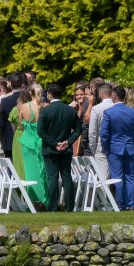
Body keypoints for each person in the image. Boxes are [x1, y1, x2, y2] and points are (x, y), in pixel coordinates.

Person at [38, 84, 81, 212]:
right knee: (66, 177)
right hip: (66, 149)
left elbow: (41, 131)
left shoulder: (45, 111)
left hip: (51, 149)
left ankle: (52, 206)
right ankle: (69, 206)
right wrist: (68, 142)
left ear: (50, 95)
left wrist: (55, 144)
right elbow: (78, 130)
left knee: (52, 178)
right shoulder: (70, 110)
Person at [100, 86, 134, 211]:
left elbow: (104, 134)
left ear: (114, 96)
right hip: (130, 147)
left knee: (117, 177)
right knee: (130, 177)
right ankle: (131, 204)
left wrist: (106, 148)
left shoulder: (109, 112)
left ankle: (119, 204)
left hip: (114, 148)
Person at [17, 85, 46, 206]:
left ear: (30, 92)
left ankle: (32, 201)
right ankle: (44, 199)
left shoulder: (24, 106)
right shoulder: (44, 106)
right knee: (43, 171)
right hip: (41, 141)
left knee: (30, 172)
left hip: (28, 142)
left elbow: (20, 125)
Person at [88, 83, 114, 180]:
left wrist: (93, 147)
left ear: (101, 94)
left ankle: (103, 195)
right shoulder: (117, 106)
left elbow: (92, 131)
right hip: (116, 144)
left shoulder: (96, 108)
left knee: (103, 178)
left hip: (101, 145)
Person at [0, 72, 24, 161]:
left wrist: (3, 142)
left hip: (9, 141)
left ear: (11, 86)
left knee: (11, 170)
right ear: (23, 85)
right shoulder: (28, 100)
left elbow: (1, 125)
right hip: (27, 140)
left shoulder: (5, 101)